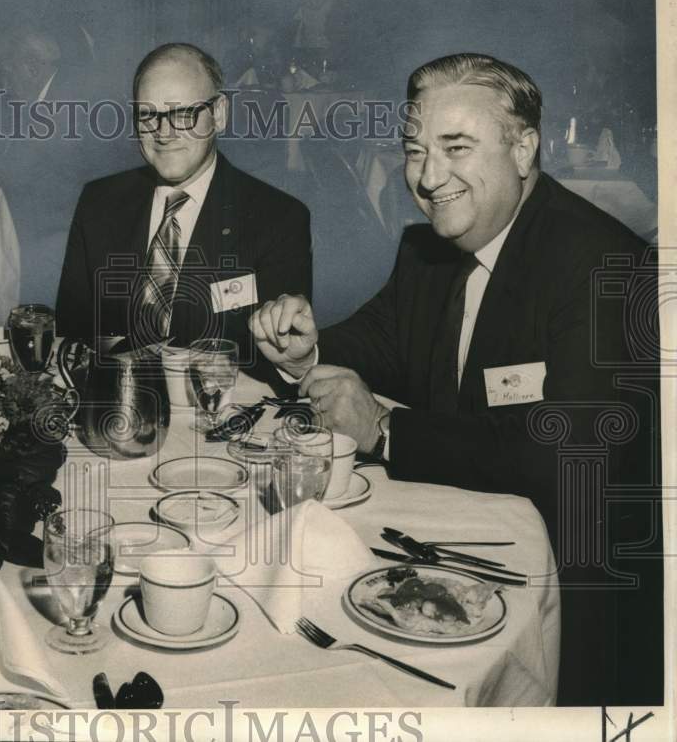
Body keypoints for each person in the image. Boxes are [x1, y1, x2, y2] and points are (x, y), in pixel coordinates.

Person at [249, 53, 662, 706]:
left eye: (456, 147)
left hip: (573, 599)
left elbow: (571, 456)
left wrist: (385, 430)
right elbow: (371, 344)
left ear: (524, 148)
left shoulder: (604, 267)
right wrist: (303, 353)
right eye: (415, 150)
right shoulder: (427, 253)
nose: (429, 176)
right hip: (440, 560)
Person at [56, 43, 311, 379]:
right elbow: (74, 336)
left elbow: (280, 359)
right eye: (148, 114)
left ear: (219, 113)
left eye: (182, 114)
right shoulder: (99, 202)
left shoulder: (277, 219)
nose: (163, 132)